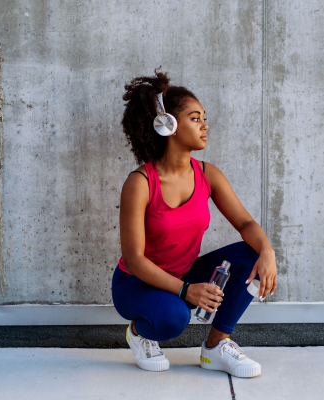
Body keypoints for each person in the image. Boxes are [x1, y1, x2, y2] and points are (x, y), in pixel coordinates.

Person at [111, 69, 278, 378]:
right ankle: (139, 332)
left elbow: (245, 223)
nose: (205, 125)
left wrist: (267, 251)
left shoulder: (208, 174)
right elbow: (134, 260)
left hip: (183, 273)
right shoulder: (140, 183)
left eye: (204, 118)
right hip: (135, 284)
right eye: (195, 118)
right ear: (168, 125)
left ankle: (216, 346)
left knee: (251, 254)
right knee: (174, 319)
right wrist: (186, 290)